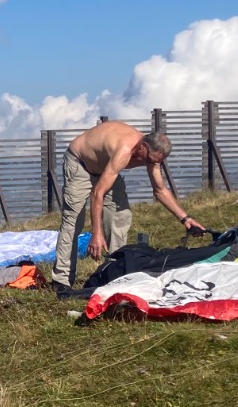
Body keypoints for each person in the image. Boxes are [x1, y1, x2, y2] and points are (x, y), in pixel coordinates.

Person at [52, 121, 207, 288]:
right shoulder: (124, 150)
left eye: (155, 162)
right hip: (80, 163)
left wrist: (185, 219)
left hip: (107, 169)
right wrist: (96, 233)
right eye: (148, 159)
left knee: (120, 215)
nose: (149, 164)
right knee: (74, 220)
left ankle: (114, 273)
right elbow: (97, 193)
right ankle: (61, 279)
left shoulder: (152, 157)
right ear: (143, 147)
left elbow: (160, 190)